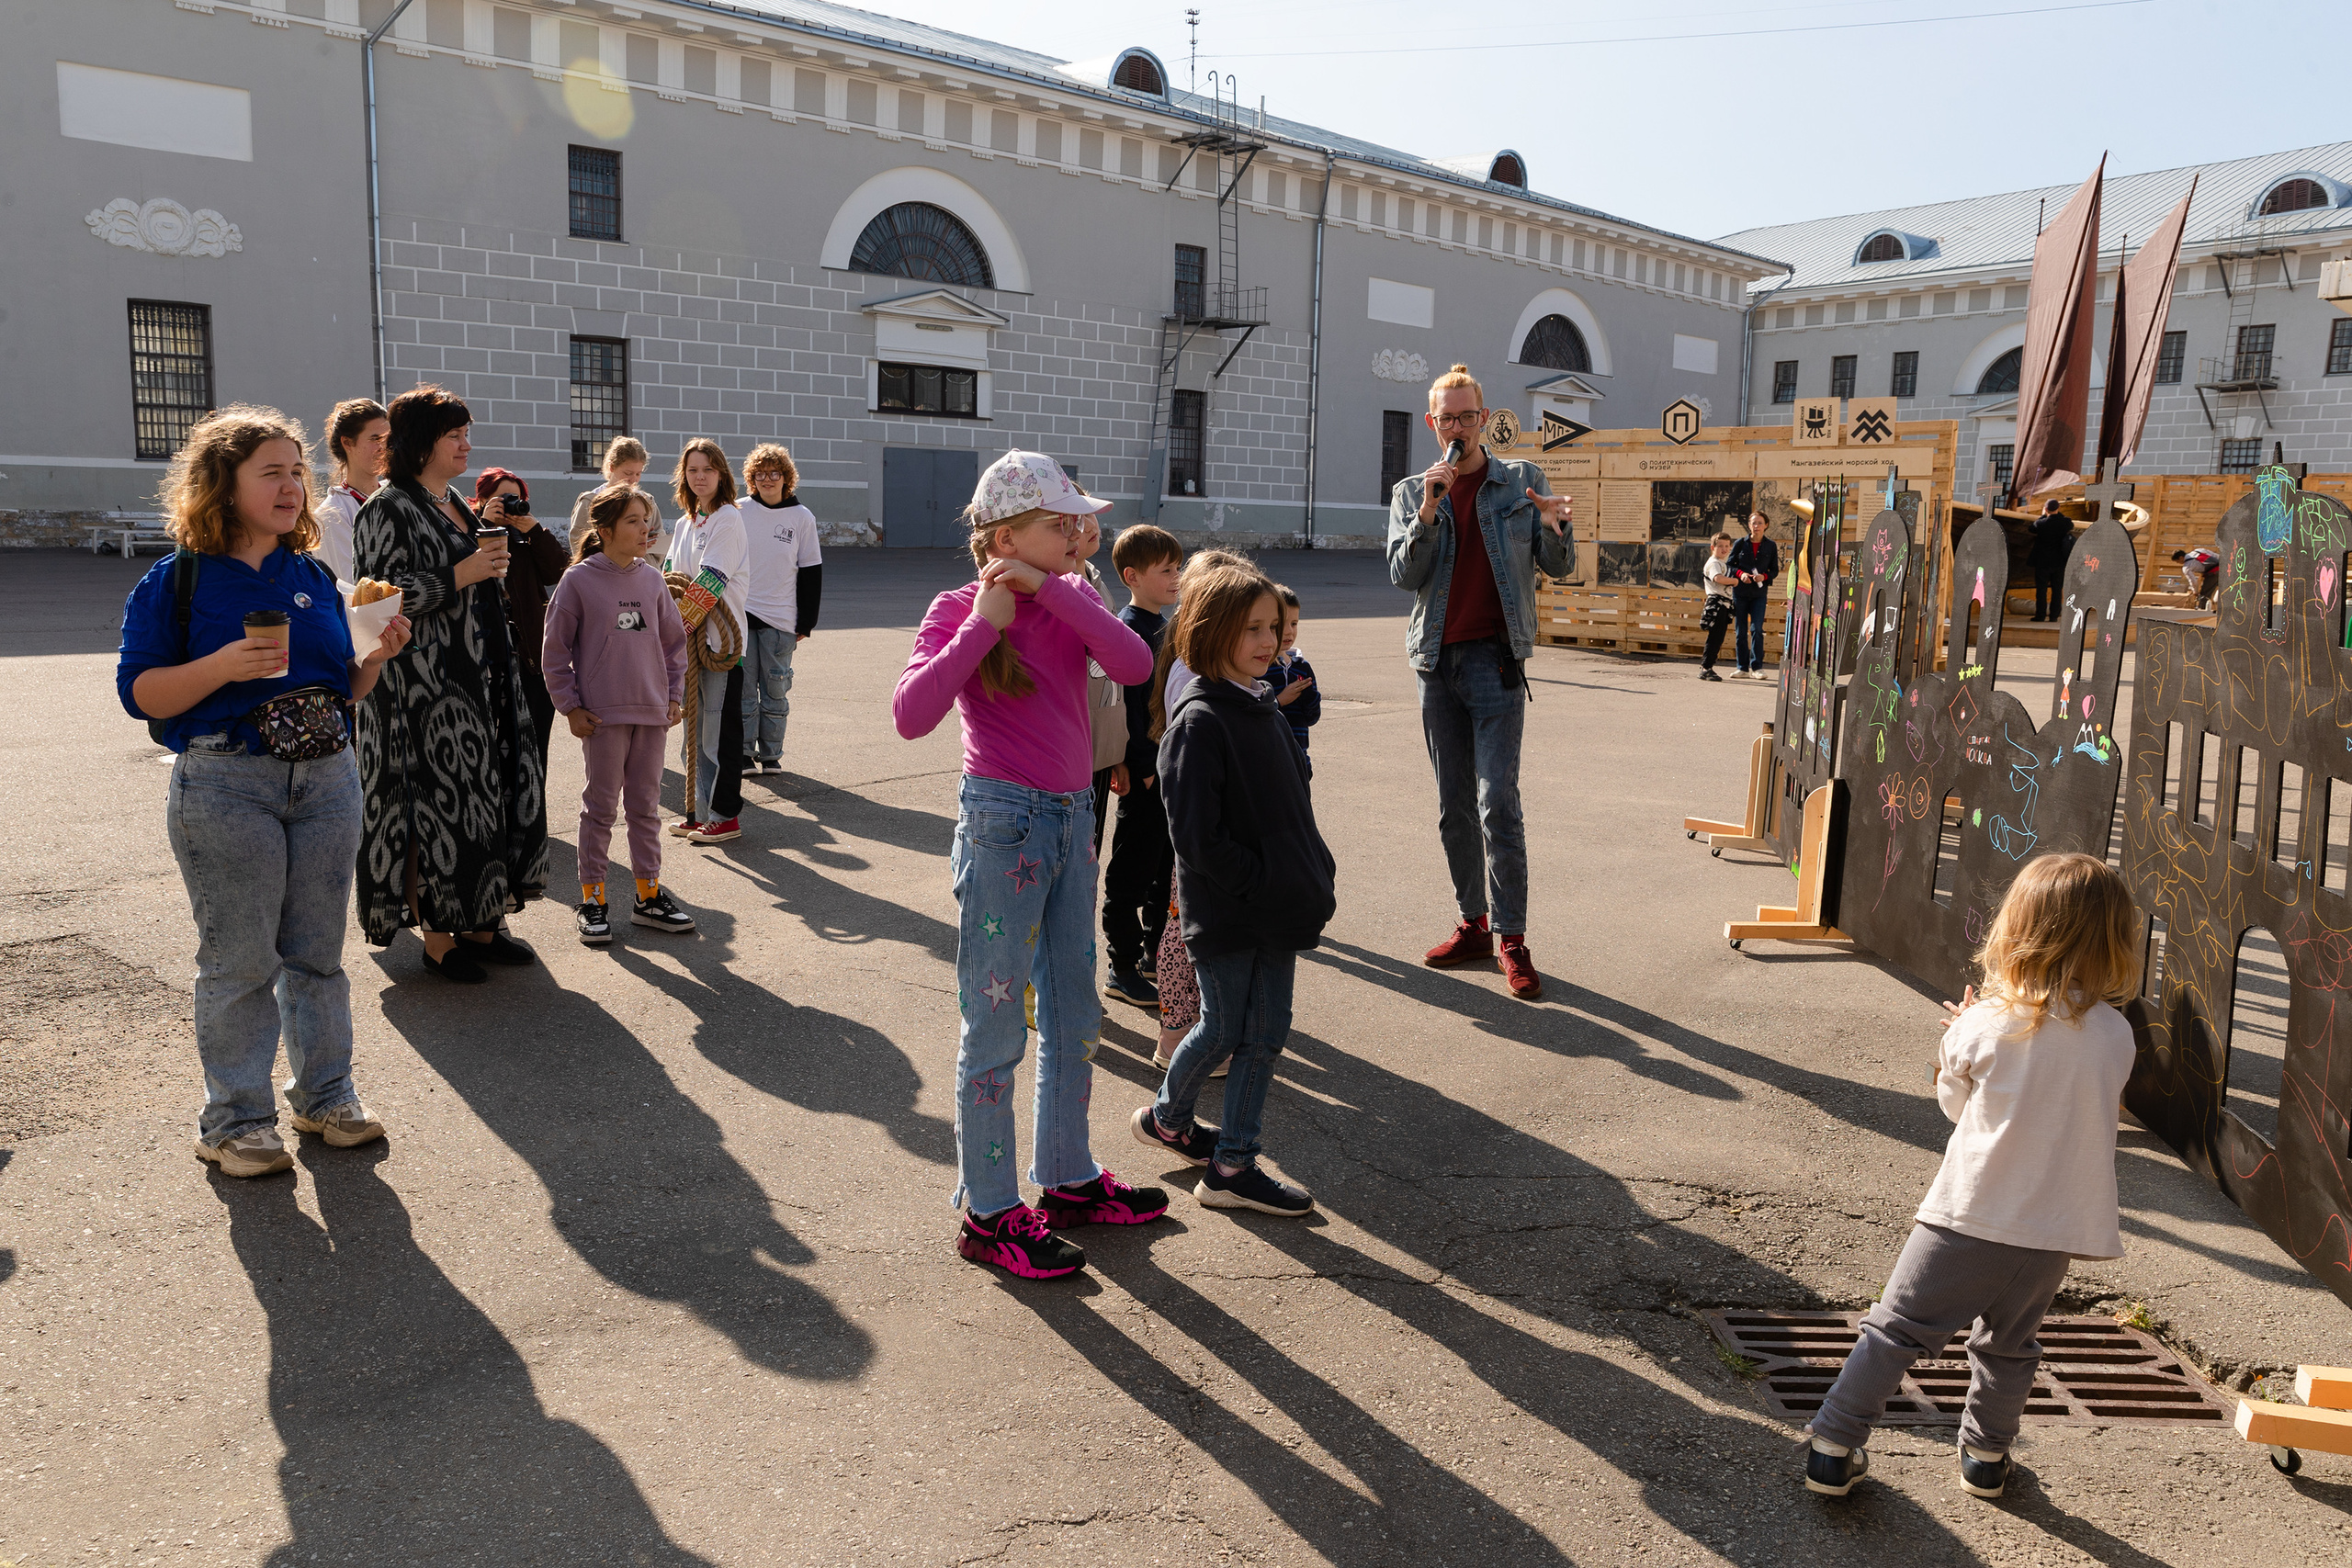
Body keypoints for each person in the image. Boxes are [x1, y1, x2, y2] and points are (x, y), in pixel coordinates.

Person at [117, 405, 413, 1176]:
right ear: (224, 483)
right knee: (241, 959)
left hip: (326, 776)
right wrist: (223, 666)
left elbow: (345, 687)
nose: (290, 488)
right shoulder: (176, 578)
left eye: (296, 472)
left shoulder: (313, 574)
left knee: (318, 953)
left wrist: (376, 654)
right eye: (270, 473)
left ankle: (326, 1097)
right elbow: (143, 692)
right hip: (226, 780)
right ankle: (235, 1121)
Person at [892, 449, 1164, 1281]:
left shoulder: (1073, 595)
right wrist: (986, 622)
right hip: (1003, 825)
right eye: (1062, 520)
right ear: (1007, 533)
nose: (1082, 529)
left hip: (1072, 818)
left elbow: (1135, 664)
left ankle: (1068, 1176)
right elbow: (911, 715)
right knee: (998, 1021)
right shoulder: (954, 608)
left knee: (1077, 1011)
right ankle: (989, 1207)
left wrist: (1047, 590)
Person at [1804, 852, 2138, 1501]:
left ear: (2018, 930)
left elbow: (1958, 1107)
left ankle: (1832, 1443)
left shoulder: (1986, 1021)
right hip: (2052, 1232)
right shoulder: (2117, 1033)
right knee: (2010, 1343)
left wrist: (1954, 1040)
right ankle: (1986, 1457)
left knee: (1896, 1328)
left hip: (1969, 1217)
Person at [1131, 559, 1336, 1217]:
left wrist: (1313, 867)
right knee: (1226, 1029)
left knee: (1266, 1030)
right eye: (1251, 627)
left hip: (1274, 905)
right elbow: (1197, 839)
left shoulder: (1260, 705)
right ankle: (1215, 1152)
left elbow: (1290, 806)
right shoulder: (1200, 721)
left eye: (1273, 626)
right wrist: (1264, 883)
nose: (1268, 640)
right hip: (1231, 910)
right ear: (1211, 627)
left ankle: (1201, 1141)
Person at [1385, 364, 1574, 1002]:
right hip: (1436, 666)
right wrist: (1429, 513)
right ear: (1433, 421)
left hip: (1495, 662)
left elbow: (1559, 564)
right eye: (1448, 417)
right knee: (1453, 807)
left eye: (1469, 416)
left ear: (1484, 418)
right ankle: (1473, 921)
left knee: (1498, 802)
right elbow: (1403, 576)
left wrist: (1556, 526)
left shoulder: (1520, 482)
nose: (1459, 427)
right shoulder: (1413, 490)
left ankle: (1512, 938)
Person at [353, 385, 550, 982]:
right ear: (420, 444)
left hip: (483, 677)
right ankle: (440, 939)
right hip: (422, 691)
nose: (467, 443)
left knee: (488, 801)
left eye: (467, 432)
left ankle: (483, 923)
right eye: (454, 435)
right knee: (440, 809)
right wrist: (461, 573)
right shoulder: (385, 508)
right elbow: (373, 605)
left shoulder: (456, 505)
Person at [544, 483, 695, 947]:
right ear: (605, 530)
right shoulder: (579, 580)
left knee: (645, 809)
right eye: (633, 520)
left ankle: (648, 897)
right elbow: (554, 650)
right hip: (603, 718)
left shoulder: (652, 580)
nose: (645, 528)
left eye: (646, 519)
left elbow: (674, 643)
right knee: (601, 809)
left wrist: (672, 696)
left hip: (652, 715)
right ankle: (592, 900)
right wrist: (569, 706)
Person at [1102, 524, 1183, 1009]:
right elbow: (1126, 707)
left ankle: (1156, 953)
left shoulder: (1167, 627)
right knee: (1131, 871)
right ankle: (1122, 965)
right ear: (1132, 576)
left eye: (1178, 567)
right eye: (1166, 570)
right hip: (1146, 772)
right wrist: (1135, 762)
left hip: (1170, 769)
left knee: (1165, 866)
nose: (1177, 577)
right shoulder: (1127, 629)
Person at [664, 438, 750, 845]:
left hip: (717, 645)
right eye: (693, 470)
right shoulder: (685, 523)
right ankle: (698, 812)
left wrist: (670, 630)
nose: (700, 477)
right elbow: (668, 577)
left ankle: (724, 815)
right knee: (693, 732)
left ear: (722, 474)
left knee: (717, 732)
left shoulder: (728, 519)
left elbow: (711, 579)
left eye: (708, 470)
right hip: (688, 646)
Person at [736, 443, 822, 775]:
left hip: (781, 619)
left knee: (775, 689)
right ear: (752, 478)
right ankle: (744, 753)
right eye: (761, 474)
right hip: (741, 615)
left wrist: (806, 621)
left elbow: (811, 572)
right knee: (743, 689)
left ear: (787, 478)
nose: (767, 480)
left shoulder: (802, 518)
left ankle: (771, 755)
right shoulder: (739, 510)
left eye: (774, 473)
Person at [473, 467, 569, 768]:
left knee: (535, 751)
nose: (511, 504)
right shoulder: (469, 534)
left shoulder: (527, 540)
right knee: (498, 756)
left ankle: (534, 814)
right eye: (503, 498)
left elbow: (560, 571)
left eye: (517, 497)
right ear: (484, 500)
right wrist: (485, 524)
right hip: (492, 662)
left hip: (532, 662)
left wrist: (536, 531)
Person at [313, 397, 387, 585]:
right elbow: (349, 590)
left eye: (388, 439)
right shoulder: (333, 514)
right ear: (347, 443)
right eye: (375, 439)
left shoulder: (397, 495)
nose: (384, 448)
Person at [570, 435, 655, 547]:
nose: (634, 479)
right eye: (628, 473)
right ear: (612, 467)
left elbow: (658, 547)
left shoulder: (647, 501)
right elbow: (578, 544)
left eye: (638, 474)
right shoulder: (590, 501)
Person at [1726, 512, 1779, 679]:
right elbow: (1729, 566)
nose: (1756, 526)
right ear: (1749, 525)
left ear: (1766, 525)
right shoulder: (1740, 544)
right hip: (1740, 593)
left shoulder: (1770, 546)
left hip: (1759, 594)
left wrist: (1764, 576)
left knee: (1756, 630)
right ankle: (1742, 667)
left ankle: (1757, 667)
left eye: (1759, 523)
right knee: (1740, 631)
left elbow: (1775, 570)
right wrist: (1740, 574)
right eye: (1753, 523)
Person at [1270, 584, 1321, 750]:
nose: (1288, 631)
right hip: (1269, 755)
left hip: (1299, 758)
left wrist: (1309, 696)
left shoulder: (1302, 667)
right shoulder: (1258, 668)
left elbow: (1312, 718)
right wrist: (1279, 700)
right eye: (1280, 624)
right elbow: (1249, 717)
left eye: (1294, 623)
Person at [1698, 532, 1736, 682]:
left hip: (1724, 603)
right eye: (1720, 546)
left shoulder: (1721, 563)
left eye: (1727, 546)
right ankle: (1706, 668)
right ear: (1713, 547)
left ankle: (1708, 666)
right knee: (1715, 637)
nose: (1724, 549)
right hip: (1717, 603)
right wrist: (1734, 581)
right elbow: (1717, 578)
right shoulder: (1714, 563)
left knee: (1718, 637)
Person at [2030, 500, 2075, 621]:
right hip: (2060, 562)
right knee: (2057, 589)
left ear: (2045, 509)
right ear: (2058, 508)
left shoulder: (2041, 523)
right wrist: (2057, 514)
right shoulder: (2065, 522)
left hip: (2043, 562)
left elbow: (2031, 528)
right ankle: (2054, 616)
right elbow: (2070, 524)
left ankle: (2040, 615)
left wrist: (2043, 515)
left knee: (2041, 590)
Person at [2174, 546, 2219, 610]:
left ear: (2181, 558)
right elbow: (2215, 556)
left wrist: (2195, 591)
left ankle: (2202, 611)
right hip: (2223, 569)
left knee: (2204, 594)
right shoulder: (2198, 550)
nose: (2178, 563)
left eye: (2177, 561)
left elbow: (2193, 581)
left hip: (2213, 573)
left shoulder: (2186, 567)